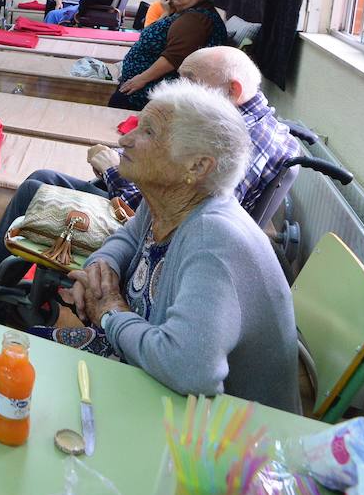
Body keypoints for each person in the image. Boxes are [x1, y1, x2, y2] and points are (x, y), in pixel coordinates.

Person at [45, 81, 300, 413]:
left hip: (222, 434)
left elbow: (190, 370)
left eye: (148, 133)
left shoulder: (214, 240)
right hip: (155, 382)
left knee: (44, 390)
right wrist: (101, 270)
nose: (125, 139)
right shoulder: (166, 201)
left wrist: (109, 313)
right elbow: (127, 238)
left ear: (196, 166)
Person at [0, 46, 300, 267]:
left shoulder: (237, 141)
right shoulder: (255, 125)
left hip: (151, 233)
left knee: (36, 187)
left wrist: (112, 170)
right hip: (149, 214)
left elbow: (173, 214)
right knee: (46, 179)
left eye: (189, 80)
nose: (177, 87)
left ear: (232, 90)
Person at [112, 0, 227, 109]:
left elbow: (174, 58)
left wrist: (140, 79)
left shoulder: (196, 19)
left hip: (155, 90)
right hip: (146, 82)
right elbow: (153, 30)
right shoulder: (186, 12)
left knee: (117, 102)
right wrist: (167, 11)